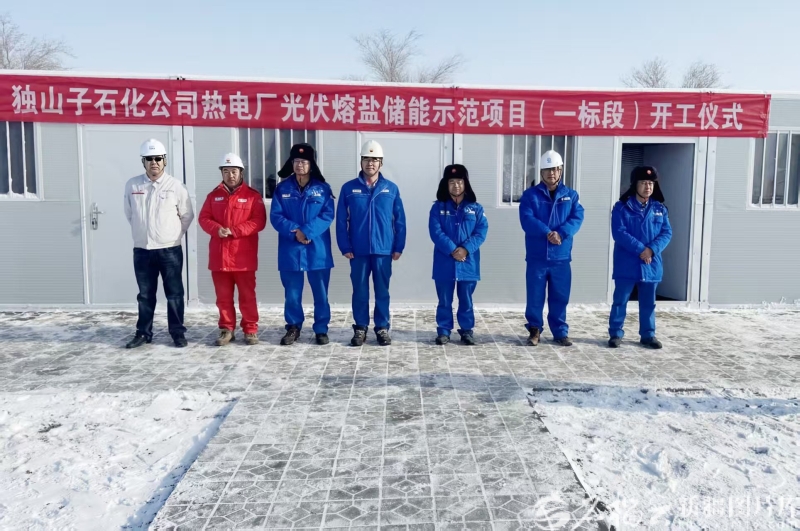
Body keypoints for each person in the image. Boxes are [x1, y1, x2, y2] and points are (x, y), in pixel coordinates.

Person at [123, 139, 194, 348]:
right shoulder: (133, 185)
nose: (154, 162)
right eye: (149, 159)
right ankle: (143, 333)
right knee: (145, 295)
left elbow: (187, 215)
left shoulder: (176, 186)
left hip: (169, 250)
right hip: (143, 250)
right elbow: (130, 213)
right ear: (143, 162)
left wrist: (173, 235)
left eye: (158, 158)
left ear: (164, 161)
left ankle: (177, 333)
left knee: (174, 293)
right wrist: (142, 232)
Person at [335, 140, 406, 347]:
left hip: (383, 250)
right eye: (366, 159)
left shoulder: (390, 189)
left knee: (382, 291)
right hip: (358, 250)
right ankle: (360, 327)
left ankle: (382, 327)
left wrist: (398, 246)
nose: (370, 163)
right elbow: (341, 220)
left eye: (375, 160)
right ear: (361, 162)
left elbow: (399, 220)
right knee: (360, 291)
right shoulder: (349, 188)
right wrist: (345, 246)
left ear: (381, 163)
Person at [198, 153, 267, 346]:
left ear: (241, 172)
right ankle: (226, 329)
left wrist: (235, 231)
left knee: (247, 296)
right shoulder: (213, 196)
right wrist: (216, 229)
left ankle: (250, 329)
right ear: (221, 173)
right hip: (219, 257)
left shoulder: (252, 196)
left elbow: (259, 221)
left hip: (243, 257)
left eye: (234, 171)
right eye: (226, 171)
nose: (230, 175)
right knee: (223, 298)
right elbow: (204, 218)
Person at [270, 143, 335, 346]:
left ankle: (321, 329)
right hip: (291, 248)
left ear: (311, 164)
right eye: (296, 161)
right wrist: (295, 232)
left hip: (317, 249)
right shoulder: (282, 189)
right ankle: (293, 327)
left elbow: (327, 215)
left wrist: (307, 231)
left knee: (321, 293)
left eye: (304, 162)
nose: (300, 165)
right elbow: (276, 216)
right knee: (292, 293)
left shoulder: (323, 189)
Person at [518, 149, 585, 347]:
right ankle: (534, 330)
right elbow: (527, 219)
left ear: (561, 171)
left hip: (561, 258)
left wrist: (561, 233)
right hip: (537, 257)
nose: (551, 173)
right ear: (541, 172)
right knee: (535, 296)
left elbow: (577, 218)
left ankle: (560, 332)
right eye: (547, 170)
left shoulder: (571, 196)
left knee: (560, 296)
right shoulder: (530, 195)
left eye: (555, 169)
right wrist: (547, 232)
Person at [608, 165, 673, 349]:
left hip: (651, 263)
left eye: (651, 183)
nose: (648, 187)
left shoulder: (660, 208)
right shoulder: (622, 207)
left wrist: (651, 250)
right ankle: (615, 333)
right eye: (643, 183)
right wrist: (640, 250)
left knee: (648, 303)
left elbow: (666, 233)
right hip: (627, 263)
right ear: (634, 184)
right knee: (620, 301)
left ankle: (648, 335)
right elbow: (619, 232)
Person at [428, 164, 488, 345]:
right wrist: (453, 250)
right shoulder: (437, 208)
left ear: (465, 184)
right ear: (445, 184)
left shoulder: (476, 208)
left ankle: (467, 330)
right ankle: (443, 330)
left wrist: (465, 249)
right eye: (452, 182)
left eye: (460, 182)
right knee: (444, 300)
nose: (456, 186)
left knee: (466, 299)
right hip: (444, 261)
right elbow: (435, 232)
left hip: (468, 262)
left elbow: (481, 232)